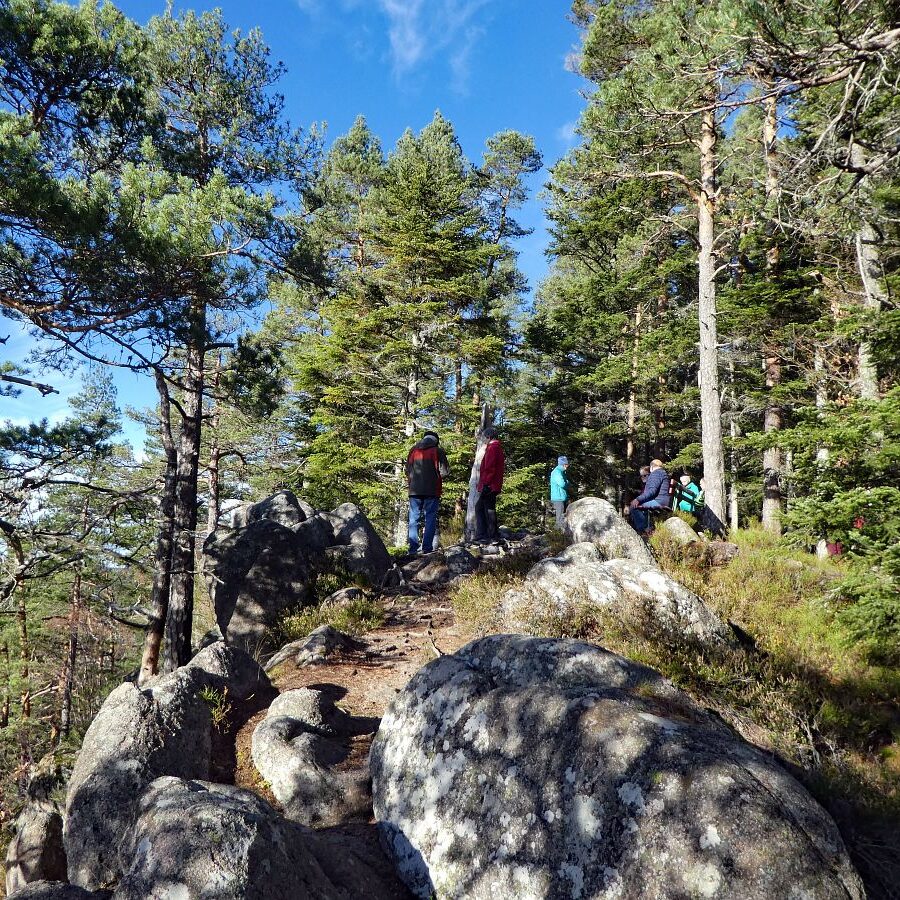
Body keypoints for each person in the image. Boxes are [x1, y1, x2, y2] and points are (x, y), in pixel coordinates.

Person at [405, 430, 449, 554]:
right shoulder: (438, 451)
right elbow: (444, 472)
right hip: (432, 490)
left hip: (414, 490)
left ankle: (412, 549)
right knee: (430, 518)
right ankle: (427, 548)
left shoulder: (413, 450)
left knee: (413, 519)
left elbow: (407, 469)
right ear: (436, 440)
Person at [475, 427, 505, 543]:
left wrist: (486, 483)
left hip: (490, 484)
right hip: (493, 484)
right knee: (484, 507)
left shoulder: (492, 448)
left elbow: (489, 468)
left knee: (486, 508)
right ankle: (488, 534)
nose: (483, 440)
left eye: (484, 437)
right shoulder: (496, 447)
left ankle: (488, 535)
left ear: (489, 437)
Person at [628, 458, 670, 534]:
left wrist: (638, 499)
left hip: (658, 502)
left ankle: (644, 531)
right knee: (639, 505)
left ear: (651, 467)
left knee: (633, 506)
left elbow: (652, 491)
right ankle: (647, 527)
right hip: (663, 501)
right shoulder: (663, 473)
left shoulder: (656, 473)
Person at [550, 456, 570, 529]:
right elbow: (562, 484)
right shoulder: (557, 472)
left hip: (561, 497)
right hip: (558, 498)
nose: (567, 466)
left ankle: (559, 536)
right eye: (566, 464)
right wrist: (567, 483)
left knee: (562, 517)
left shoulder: (561, 472)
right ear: (563, 464)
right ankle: (556, 536)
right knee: (559, 519)